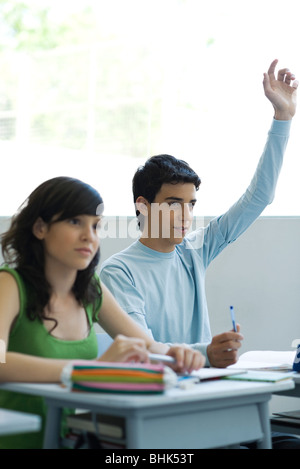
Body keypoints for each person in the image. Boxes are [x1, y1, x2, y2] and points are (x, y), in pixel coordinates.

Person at [100, 59, 298, 369]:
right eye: (173, 203)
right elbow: (143, 348)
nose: (185, 215)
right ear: (143, 205)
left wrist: (283, 118)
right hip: (160, 394)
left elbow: (260, 197)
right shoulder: (119, 272)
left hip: (202, 386)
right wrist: (206, 353)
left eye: (191, 204)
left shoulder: (194, 251)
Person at [0, 177, 205, 449]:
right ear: (40, 227)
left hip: (67, 441)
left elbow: (147, 344)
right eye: (75, 222)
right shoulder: (10, 283)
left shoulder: (90, 288)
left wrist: (174, 354)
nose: (89, 236)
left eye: (95, 226)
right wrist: (91, 370)